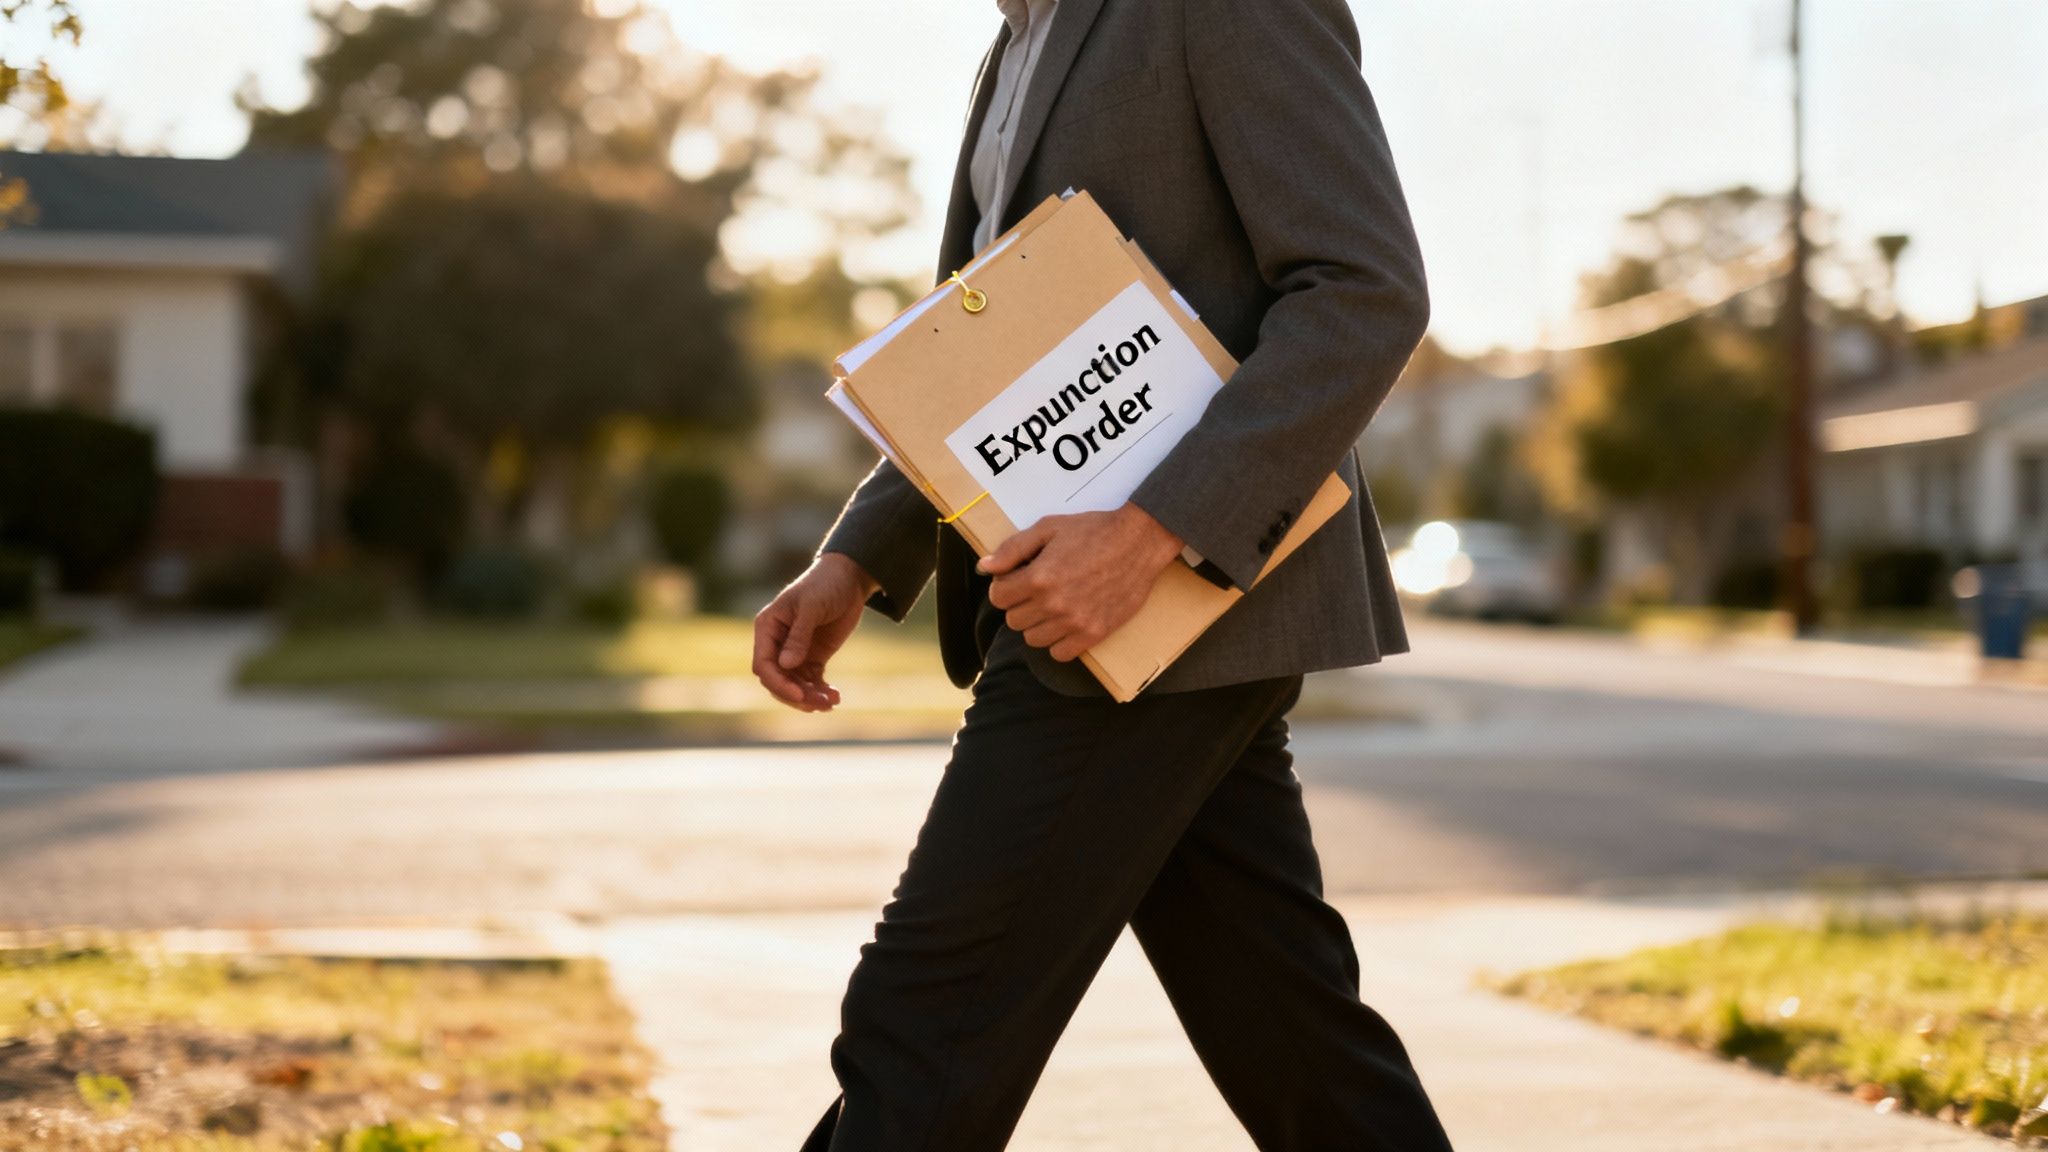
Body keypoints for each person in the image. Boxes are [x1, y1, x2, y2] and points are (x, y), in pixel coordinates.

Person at [751, 0, 1452, 1147]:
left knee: (923, 1023)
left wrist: (1147, 533)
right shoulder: (1014, 45)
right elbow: (986, 353)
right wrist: (855, 558)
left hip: (1153, 599)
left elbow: (1363, 289)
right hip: (1093, 609)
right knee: (1293, 1043)